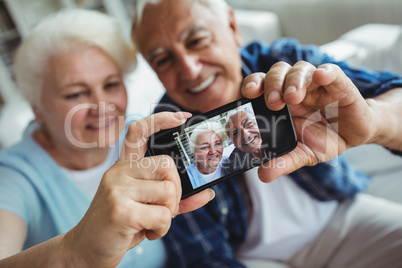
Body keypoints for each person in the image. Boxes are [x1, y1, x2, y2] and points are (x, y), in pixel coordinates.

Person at [131, 0, 402, 267]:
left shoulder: (286, 61)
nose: (190, 69)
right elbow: (204, 257)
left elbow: (391, 91)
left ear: (233, 27)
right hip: (252, 257)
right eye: (163, 59)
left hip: (340, 215)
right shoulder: (163, 135)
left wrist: (374, 123)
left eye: (197, 40)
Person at [0, 9, 213, 267]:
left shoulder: (141, 137)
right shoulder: (12, 177)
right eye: (75, 94)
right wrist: (75, 252)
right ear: (37, 108)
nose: (102, 107)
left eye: (111, 85)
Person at [224, 108, 267, 175]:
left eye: (248, 124)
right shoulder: (232, 165)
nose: (245, 134)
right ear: (233, 142)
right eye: (235, 133)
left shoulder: (280, 140)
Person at [186, 121, 228, 188]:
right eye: (204, 147)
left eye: (217, 144)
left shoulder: (231, 163)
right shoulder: (188, 176)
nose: (213, 151)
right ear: (194, 154)